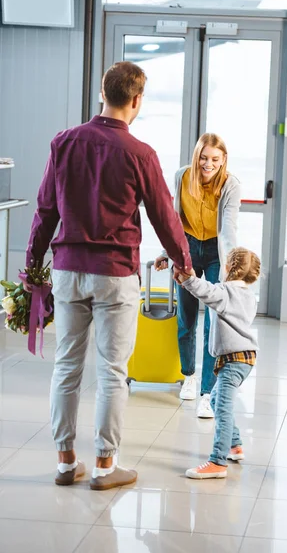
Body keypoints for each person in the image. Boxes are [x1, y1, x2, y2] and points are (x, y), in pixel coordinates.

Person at [25, 61, 192, 490]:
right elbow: (163, 217)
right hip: (115, 274)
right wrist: (183, 262)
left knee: (66, 365)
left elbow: (45, 211)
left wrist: (32, 266)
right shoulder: (140, 154)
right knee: (113, 372)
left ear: (103, 93)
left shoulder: (64, 142)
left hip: (67, 271)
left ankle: (65, 462)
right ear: (136, 100)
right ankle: (104, 465)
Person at [155, 134, 241, 419]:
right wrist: (168, 253)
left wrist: (231, 265)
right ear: (196, 156)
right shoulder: (182, 176)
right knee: (187, 318)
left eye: (215, 159)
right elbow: (173, 219)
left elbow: (228, 229)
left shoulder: (230, 184)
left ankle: (208, 392)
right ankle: (188, 375)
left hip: (216, 251)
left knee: (213, 324)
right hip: (187, 246)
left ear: (223, 160)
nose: (208, 164)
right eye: (204, 158)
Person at [176, 247, 260, 479]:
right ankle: (235, 445)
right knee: (215, 399)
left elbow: (205, 291)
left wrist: (188, 279)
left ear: (227, 268)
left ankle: (217, 462)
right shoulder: (248, 297)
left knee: (222, 409)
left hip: (232, 360)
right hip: (245, 358)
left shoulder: (225, 293)